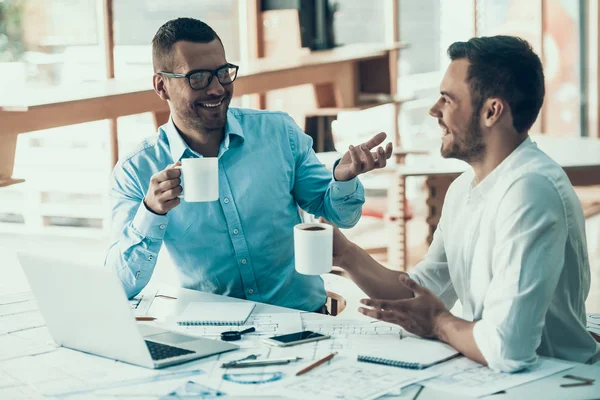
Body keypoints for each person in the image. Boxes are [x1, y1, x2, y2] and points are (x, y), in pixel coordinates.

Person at [330, 35, 600, 372]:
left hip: (555, 378)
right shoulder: (463, 190)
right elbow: (422, 291)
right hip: (496, 375)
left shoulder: (530, 190)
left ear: (491, 111)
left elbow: (507, 348)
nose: (434, 111)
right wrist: (345, 254)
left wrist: (439, 323)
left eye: (447, 99)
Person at [104, 17, 393, 313]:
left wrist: (343, 180)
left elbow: (342, 216)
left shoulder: (279, 134)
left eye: (223, 73)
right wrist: (151, 212)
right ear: (162, 86)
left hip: (303, 319)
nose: (217, 88)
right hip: (212, 331)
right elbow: (118, 285)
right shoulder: (136, 170)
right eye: (199, 78)